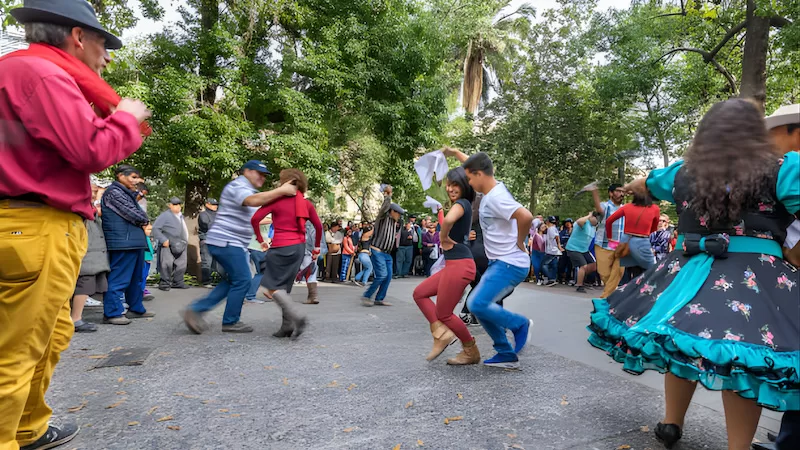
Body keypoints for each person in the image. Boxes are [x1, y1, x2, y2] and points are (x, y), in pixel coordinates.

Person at [587, 99, 799, 450]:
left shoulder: (683, 172)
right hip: (754, 279)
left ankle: (671, 423)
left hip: (685, 273)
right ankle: (738, 447)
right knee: (740, 360)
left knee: (680, 340)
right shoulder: (784, 169)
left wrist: (632, 187)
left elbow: (645, 183)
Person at [0, 0, 151, 447]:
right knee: (19, 349)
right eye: (104, 43)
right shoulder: (43, 75)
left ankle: (27, 428)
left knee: (44, 336)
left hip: (32, 222)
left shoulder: (20, 70)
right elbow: (90, 150)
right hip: (36, 222)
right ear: (78, 37)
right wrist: (126, 116)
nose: (107, 56)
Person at [444, 148, 534, 369]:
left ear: (479, 175)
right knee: (480, 306)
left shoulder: (496, 198)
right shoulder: (492, 187)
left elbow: (526, 216)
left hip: (510, 262)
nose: (468, 183)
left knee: (476, 302)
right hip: (500, 262)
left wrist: (520, 241)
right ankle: (505, 353)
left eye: (469, 178)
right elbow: (475, 165)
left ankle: (519, 324)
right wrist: (456, 153)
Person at [183, 160, 297, 334]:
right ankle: (230, 321)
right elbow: (251, 201)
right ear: (247, 171)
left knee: (233, 280)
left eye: (265, 175)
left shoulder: (249, 190)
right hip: (227, 242)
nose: (262, 178)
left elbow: (259, 210)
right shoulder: (238, 186)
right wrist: (281, 190)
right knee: (243, 279)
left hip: (230, 243)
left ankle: (196, 310)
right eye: (259, 173)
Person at [413, 167, 480, 365]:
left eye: (455, 184)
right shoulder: (463, 205)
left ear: (465, 186)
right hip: (455, 265)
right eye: (449, 184)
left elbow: (449, 220)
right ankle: (440, 334)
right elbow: (449, 220)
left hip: (460, 266)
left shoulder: (462, 203)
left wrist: (443, 237)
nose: (450, 188)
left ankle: (470, 350)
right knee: (420, 293)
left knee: (444, 313)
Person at [249, 169, 322, 338]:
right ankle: (286, 326)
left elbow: (255, 219)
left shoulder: (276, 200)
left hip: (281, 246)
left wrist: (261, 240)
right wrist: (316, 247)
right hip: (299, 248)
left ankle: (296, 315)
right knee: (284, 287)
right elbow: (318, 226)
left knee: (271, 286)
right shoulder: (307, 204)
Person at [101, 165, 154, 325]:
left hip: (132, 241)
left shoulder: (126, 193)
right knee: (119, 278)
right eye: (133, 177)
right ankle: (112, 312)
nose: (136, 181)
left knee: (135, 279)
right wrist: (144, 220)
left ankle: (136, 308)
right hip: (122, 242)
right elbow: (135, 214)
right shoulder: (114, 192)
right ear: (120, 176)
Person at [361, 186, 404, 307]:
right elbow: (384, 207)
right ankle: (366, 296)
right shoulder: (383, 218)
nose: (399, 216)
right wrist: (388, 195)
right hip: (377, 251)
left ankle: (379, 298)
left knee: (388, 276)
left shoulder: (394, 223)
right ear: (392, 211)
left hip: (387, 253)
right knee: (382, 275)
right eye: (398, 213)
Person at [71, 200, 110, 333]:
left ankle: (74, 318)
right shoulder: (80, 209)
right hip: (87, 251)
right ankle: (75, 319)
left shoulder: (91, 209)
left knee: (86, 284)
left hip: (92, 251)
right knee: (84, 283)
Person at [605, 192, 661, 273]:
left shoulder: (627, 206)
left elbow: (609, 221)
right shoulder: (655, 208)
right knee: (652, 270)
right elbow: (654, 228)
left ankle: (625, 285)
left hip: (625, 241)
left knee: (626, 270)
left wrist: (610, 237)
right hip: (642, 241)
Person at [591, 183, 627, 298]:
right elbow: (599, 210)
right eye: (618, 191)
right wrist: (594, 192)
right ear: (610, 193)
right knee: (604, 274)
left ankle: (605, 298)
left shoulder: (626, 209)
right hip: (603, 245)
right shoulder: (605, 206)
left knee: (619, 272)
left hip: (621, 246)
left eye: (623, 191)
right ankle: (612, 296)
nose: (621, 194)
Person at [152, 197, 190, 291]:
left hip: (181, 243)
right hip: (168, 243)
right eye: (174, 205)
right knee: (166, 264)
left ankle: (178, 282)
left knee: (181, 264)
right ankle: (164, 283)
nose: (177, 207)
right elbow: (155, 228)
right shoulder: (165, 216)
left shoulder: (181, 216)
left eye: (178, 204)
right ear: (170, 205)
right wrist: (163, 239)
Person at [565, 212, 601, 293]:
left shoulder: (594, 227)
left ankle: (581, 277)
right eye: (596, 218)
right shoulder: (584, 223)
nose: (597, 221)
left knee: (594, 265)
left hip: (584, 250)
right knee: (583, 266)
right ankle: (579, 285)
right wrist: (589, 215)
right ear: (592, 217)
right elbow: (579, 221)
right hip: (573, 248)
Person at [244, 215, 273, 304]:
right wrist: (274, 220)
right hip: (258, 247)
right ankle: (250, 296)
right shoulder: (264, 213)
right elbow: (255, 221)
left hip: (256, 246)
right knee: (261, 272)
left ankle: (247, 295)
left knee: (255, 272)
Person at [297, 218, 321, 304]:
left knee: (304, 270)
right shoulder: (315, 222)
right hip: (313, 250)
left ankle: (279, 292)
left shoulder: (304, 223)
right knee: (311, 272)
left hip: (306, 249)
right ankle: (313, 296)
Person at [198, 198, 219, 287]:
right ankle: (206, 281)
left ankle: (215, 279)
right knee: (207, 261)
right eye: (213, 204)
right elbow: (206, 224)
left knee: (217, 262)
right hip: (207, 240)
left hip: (217, 240)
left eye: (216, 205)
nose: (215, 206)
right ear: (207, 204)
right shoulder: (203, 214)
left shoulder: (218, 214)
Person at [541, 216, 563, 286]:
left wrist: (559, 246)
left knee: (543, 264)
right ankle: (553, 279)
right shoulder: (554, 228)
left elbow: (556, 237)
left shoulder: (551, 229)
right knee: (553, 265)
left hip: (551, 250)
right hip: (555, 250)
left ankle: (551, 278)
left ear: (548, 221)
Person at [557, 218, 574, 284]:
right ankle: (560, 278)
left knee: (570, 265)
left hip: (571, 250)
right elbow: (560, 239)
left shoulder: (574, 231)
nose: (568, 224)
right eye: (566, 223)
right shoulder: (563, 232)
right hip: (564, 250)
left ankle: (568, 278)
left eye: (569, 223)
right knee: (561, 265)